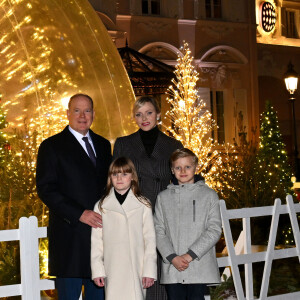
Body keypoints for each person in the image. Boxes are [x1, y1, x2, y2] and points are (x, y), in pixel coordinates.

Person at [36, 93, 112, 300]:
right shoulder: (51, 146)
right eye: (76, 110)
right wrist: (79, 213)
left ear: (93, 114)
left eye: (87, 110)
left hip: (100, 238)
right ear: (68, 113)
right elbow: (46, 188)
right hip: (69, 238)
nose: (82, 115)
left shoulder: (104, 145)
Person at [113, 96, 183, 300]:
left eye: (149, 113)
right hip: (132, 215)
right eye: (138, 114)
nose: (144, 118)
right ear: (134, 117)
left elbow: (183, 178)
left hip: (163, 215)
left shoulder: (173, 144)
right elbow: (114, 181)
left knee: (160, 272)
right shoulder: (123, 144)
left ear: (158, 115)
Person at [154, 148, 222, 300]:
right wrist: (172, 257)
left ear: (196, 167)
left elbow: (214, 230)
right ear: (172, 170)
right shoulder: (163, 198)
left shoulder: (209, 195)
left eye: (188, 167)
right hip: (173, 267)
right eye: (178, 167)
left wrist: (190, 255)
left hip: (198, 266)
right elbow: (158, 230)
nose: (183, 171)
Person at [91, 157, 157, 300]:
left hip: (136, 268)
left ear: (132, 176)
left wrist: (149, 270)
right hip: (112, 268)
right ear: (110, 177)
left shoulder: (143, 205)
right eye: (115, 174)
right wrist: (97, 270)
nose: (119, 178)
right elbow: (97, 243)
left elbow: (150, 240)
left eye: (124, 174)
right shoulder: (101, 206)